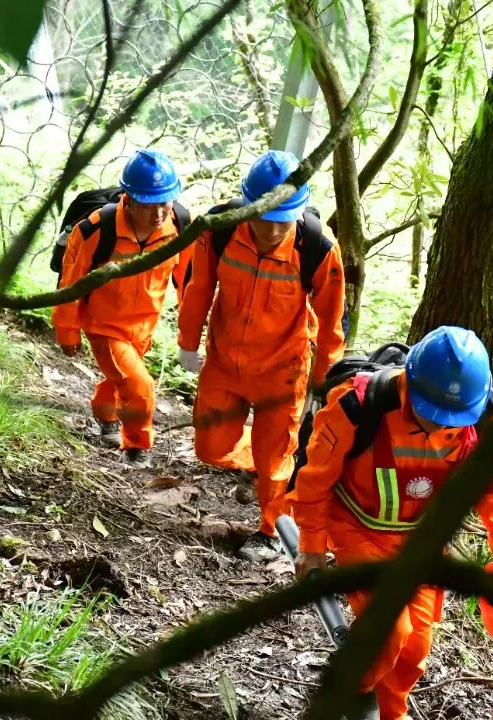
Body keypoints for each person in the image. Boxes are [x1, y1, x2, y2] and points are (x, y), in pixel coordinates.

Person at [287, 326, 493, 720]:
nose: (437, 426)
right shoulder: (359, 405)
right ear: (410, 383)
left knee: (414, 650)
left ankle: (389, 714)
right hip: (357, 529)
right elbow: (315, 479)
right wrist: (311, 546)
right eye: (430, 414)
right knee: (389, 631)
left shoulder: (484, 416)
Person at [176, 149, 346, 562]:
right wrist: (187, 342)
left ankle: (270, 529)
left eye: (280, 220)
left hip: (282, 371)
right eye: (262, 217)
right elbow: (198, 286)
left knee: (275, 461)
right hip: (224, 360)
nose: (270, 231)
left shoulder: (318, 248)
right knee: (210, 448)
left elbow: (330, 321)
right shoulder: (220, 228)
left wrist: (325, 381)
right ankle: (261, 465)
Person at [52, 149, 192, 468]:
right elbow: (71, 284)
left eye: (165, 202)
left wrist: (192, 330)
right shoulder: (96, 229)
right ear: (130, 197)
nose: (158, 212)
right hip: (105, 326)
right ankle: (137, 447)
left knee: (121, 380)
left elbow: (190, 281)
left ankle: (105, 416)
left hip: (144, 328)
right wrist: (67, 331)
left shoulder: (182, 225)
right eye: (148, 203)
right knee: (140, 386)